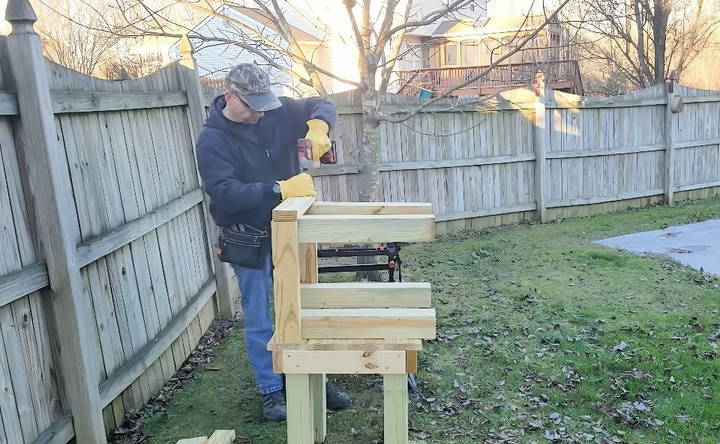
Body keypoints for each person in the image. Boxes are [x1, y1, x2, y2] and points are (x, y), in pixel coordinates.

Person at [196, 63, 350, 421]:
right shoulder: (212, 140)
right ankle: (271, 391)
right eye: (251, 107)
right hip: (247, 237)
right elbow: (225, 194)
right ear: (230, 97)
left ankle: (316, 375)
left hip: (291, 228)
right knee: (260, 318)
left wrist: (319, 125)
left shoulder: (276, 112)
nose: (258, 114)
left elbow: (321, 103)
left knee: (302, 305)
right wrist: (278, 189)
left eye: (263, 105)